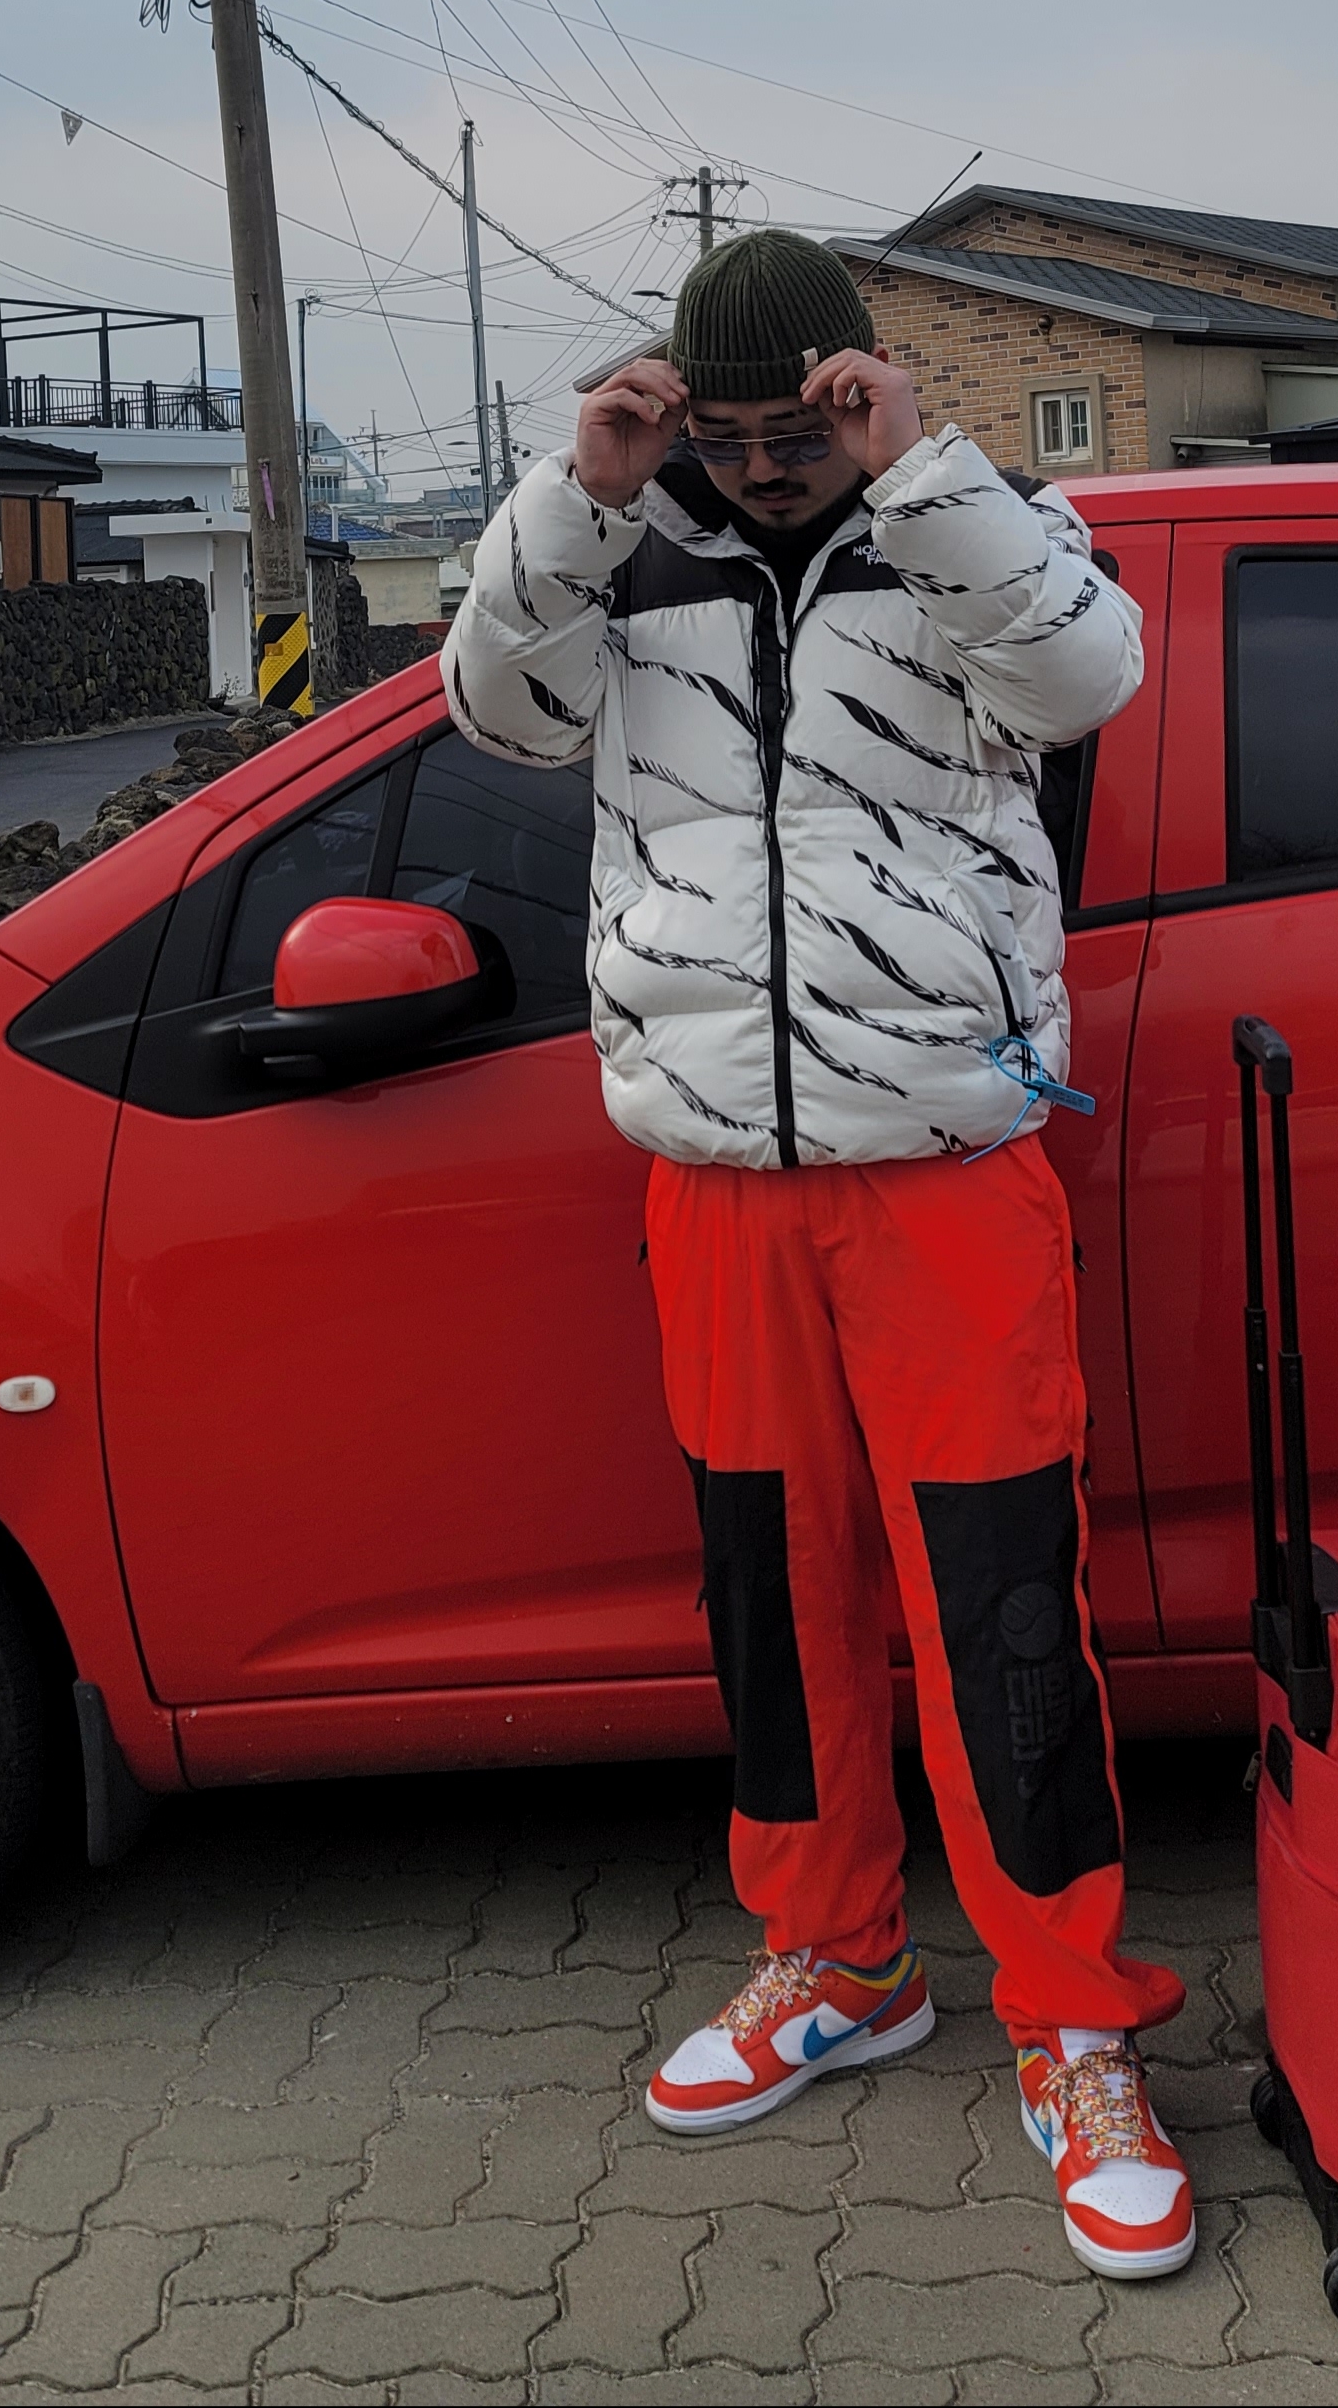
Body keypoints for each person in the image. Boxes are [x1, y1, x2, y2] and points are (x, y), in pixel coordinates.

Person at [442, 225, 1194, 2282]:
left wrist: (920, 467)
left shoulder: (971, 531)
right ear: (684, 406)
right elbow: (493, 710)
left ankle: (1071, 2017)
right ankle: (836, 1954)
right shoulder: (638, 550)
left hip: (945, 1158)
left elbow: (1086, 675)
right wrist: (585, 486)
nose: (771, 464)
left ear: (859, 384)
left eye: (803, 423)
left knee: (997, 1596)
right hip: (711, 1168)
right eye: (736, 429)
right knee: (773, 1591)